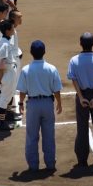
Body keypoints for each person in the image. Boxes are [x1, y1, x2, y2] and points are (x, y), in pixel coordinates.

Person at [17, 41, 63, 171]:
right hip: (48, 104)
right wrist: (59, 103)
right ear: (44, 52)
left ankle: (33, 165)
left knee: (32, 135)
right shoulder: (51, 68)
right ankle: (50, 164)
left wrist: (20, 103)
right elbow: (56, 89)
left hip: (32, 105)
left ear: (31, 53)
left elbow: (22, 90)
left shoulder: (26, 69)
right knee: (49, 135)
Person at [67, 32, 93, 167]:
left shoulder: (74, 60)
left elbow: (73, 79)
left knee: (82, 128)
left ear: (80, 43)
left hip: (82, 95)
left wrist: (80, 97)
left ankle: (82, 159)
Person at [0, 20, 19, 131]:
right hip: (7, 72)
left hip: (10, 71)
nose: (14, 29)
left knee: (9, 94)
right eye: (12, 28)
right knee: (4, 98)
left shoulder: (5, 40)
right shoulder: (4, 44)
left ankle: (7, 115)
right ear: (7, 31)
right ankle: (1, 123)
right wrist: (0, 76)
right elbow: (1, 62)